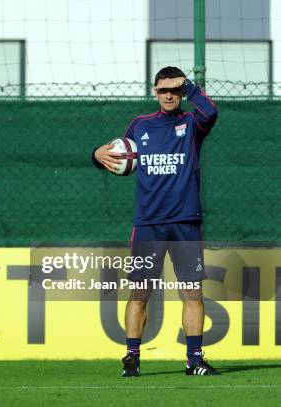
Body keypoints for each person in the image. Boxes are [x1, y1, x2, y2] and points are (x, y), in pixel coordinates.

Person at [91, 66, 219, 376]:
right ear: (155, 92)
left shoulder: (191, 123)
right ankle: (132, 358)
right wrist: (95, 155)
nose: (169, 95)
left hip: (185, 222)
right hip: (148, 224)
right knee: (140, 293)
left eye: (175, 89)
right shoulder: (140, 125)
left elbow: (211, 112)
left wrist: (188, 86)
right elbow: (116, 154)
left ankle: (194, 360)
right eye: (163, 90)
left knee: (191, 292)